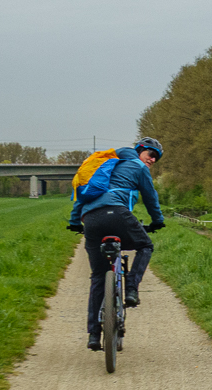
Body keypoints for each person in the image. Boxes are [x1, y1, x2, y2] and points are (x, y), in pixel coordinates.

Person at [67, 137, 166, 351]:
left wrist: (75, 222)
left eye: (156, 158)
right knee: (145, 246)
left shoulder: (102, 166)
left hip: (91, 220)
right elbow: (151, 197)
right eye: (151, 154)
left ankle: (94, 334)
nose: (153, 160)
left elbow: (81, 196)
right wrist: (158, 220)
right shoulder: (137, 166)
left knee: (97, 276)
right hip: (118, 214)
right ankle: (130, 289)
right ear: (139, 151)